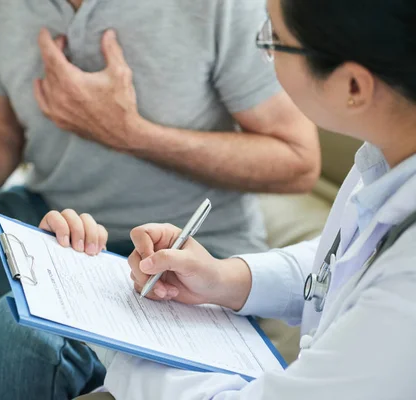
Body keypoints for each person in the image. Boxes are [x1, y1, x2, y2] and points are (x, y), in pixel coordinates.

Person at [0, 1, 319, 399]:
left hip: (187, 254)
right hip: (53, 220)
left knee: (26, 332)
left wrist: (132, 133)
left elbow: (298, 159)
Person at [40, 0, 416, 398]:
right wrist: (226, 279)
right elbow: (342, 260)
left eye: (275, 40)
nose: (264, 52)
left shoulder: (405, 291)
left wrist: (118, 339)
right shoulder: (387, 156)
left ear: (353, 86)